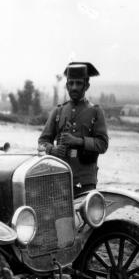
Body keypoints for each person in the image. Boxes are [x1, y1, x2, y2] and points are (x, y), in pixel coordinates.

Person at [38, 62, 109, 196]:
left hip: (86, 181)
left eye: (78, 83)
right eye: (71, 83)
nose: (74, 87)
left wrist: (79, 141)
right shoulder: (58, 111)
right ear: (66, 86)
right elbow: (42, 142)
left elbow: (103, 144)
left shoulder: (95, 112)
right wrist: (53, 149)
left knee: (86, 215)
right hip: (60, 178)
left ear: (86, 86)